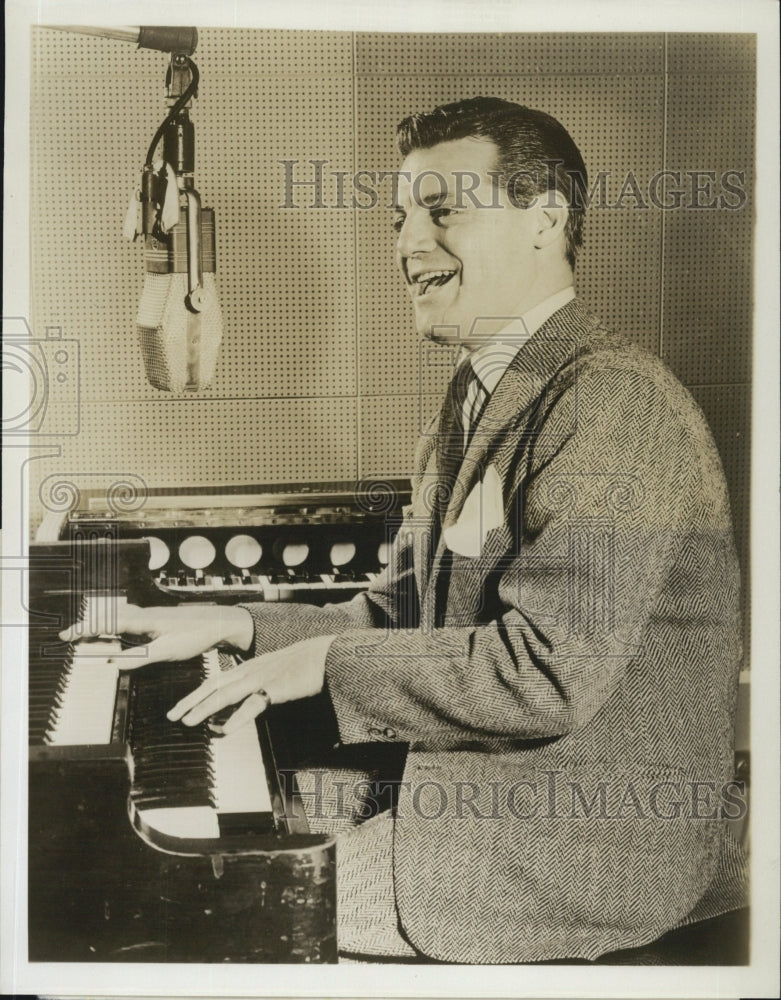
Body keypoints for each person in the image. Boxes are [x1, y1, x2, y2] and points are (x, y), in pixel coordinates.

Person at [62, 97, 746, 963]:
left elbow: (546, 674)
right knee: (194, 866)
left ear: (545, 220)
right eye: (400, 217)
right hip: (479, 799)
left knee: (187, 926)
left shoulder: (613, 400)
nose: (406, 245)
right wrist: (237, 625)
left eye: (442, 210)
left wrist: (318, 660)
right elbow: (397, 617)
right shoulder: (472, 399)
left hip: (585, 849)